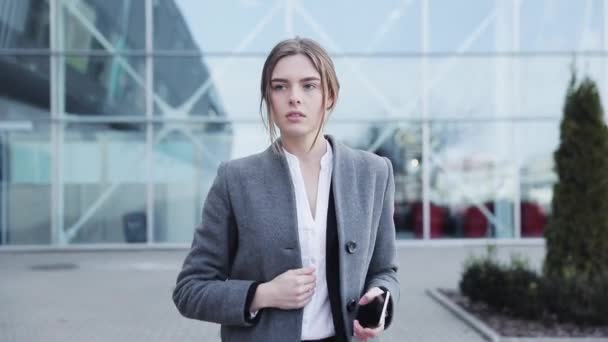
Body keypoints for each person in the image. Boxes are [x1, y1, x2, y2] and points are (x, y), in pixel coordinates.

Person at [173, 37, 399, 342]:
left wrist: (381, 298)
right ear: (269, 97)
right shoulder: (235, 179)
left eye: (309, 85)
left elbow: (385, 271)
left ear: (329, 96)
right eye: (280, 86)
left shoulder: (374, 173)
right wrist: (261, 294)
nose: (294, 97)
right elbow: (190, 290)